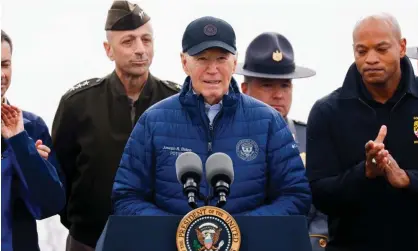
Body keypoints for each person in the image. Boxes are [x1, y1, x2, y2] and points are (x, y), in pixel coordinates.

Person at [111, 16, 311, 217]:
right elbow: (126, 196)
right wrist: (178, 231)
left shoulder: (269, 122)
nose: (212, 70)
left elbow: (295, 195)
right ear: (184, 62)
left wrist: (236, 230)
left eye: (221, 59)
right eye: (202, 58)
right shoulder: (152, 121)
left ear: (234, 62)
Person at [51, 1, 180, 250]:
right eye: (128, 41)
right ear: (108, 49)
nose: (140, 50)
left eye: (146, 40)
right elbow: (59, 177)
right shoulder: (78, 104)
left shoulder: (176, 103)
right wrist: (83, 224)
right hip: (88, 240)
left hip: (160, 240)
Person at [306, 13, 418, 251]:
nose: (371, 59)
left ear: (401, 47)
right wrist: (364, 173)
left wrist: (408, 180)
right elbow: (318, 194)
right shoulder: (327, 111)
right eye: (361, 51)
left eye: (381, 49)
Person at [235, 32, 329, 250]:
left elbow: (323, 210)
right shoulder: (222, 139)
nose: (278, 95)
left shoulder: (310, 139)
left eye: (285, 85)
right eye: (267, 85)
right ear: (244, 90)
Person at [1, 30, 66, 251]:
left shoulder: (30, 127)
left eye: (5, 64)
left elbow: (50, 205)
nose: (1, 74)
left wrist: (23, 150)